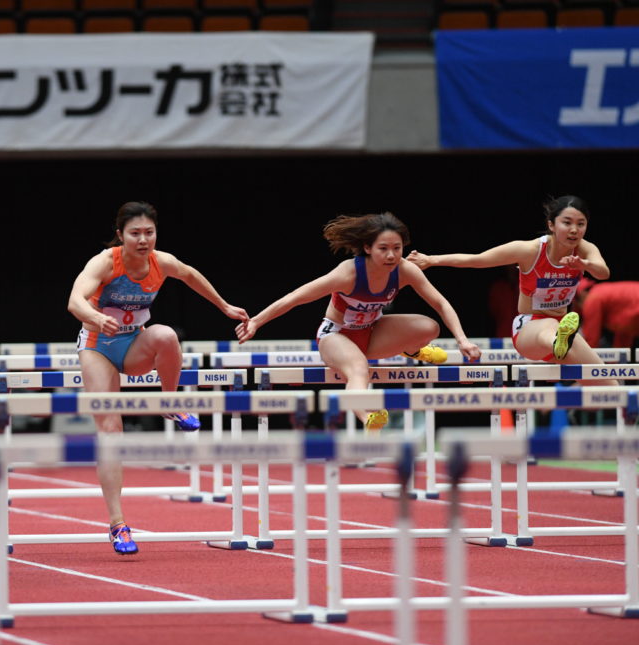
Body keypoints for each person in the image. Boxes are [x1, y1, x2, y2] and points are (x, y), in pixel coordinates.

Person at [67, 201, 248, 555]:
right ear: (121, 235)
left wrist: (224, 306)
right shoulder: (105, 262)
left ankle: (170, 402)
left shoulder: (161, 262)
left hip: (134, 345)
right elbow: (74, 301)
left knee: (165, 335)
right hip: (97, 346)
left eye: (149, 233)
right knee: (110, 432)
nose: (143, 239)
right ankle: (119, 524)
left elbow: (191, 275)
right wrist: (95, 315)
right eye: (135, 233)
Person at [235, 212, 482, 429]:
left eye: (397, 248)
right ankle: (368, 418)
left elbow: (440, 303)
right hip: (337, 336)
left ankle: (412, 349)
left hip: (372, 332)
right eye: (383, 248)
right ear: (367, 248)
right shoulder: (348, 273)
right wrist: (256, 321)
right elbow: (295, 298)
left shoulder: (406, 270)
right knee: (359, 369)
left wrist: (462, 340)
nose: (391, 255)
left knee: (430, 327)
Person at [407, 195, 614, 384]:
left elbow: (603, 273)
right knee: (550, 325)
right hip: (529, 329)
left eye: (581, 224)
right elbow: (477, 260)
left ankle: (628, 414)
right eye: (567, 223)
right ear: (551, 224)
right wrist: (431, 260)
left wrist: (584, 264)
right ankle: (558, 340)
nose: (574, 230)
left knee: (608, 383)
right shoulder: (529, 250)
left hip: (562, 332)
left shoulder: (585, 249)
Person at [573, 277, 639, 350]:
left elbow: (591, 339)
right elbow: (624, 331)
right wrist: (616, 359)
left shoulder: (593, 299)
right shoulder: (602, 293)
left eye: (576, 299)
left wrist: (585, 358)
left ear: (582, 293)